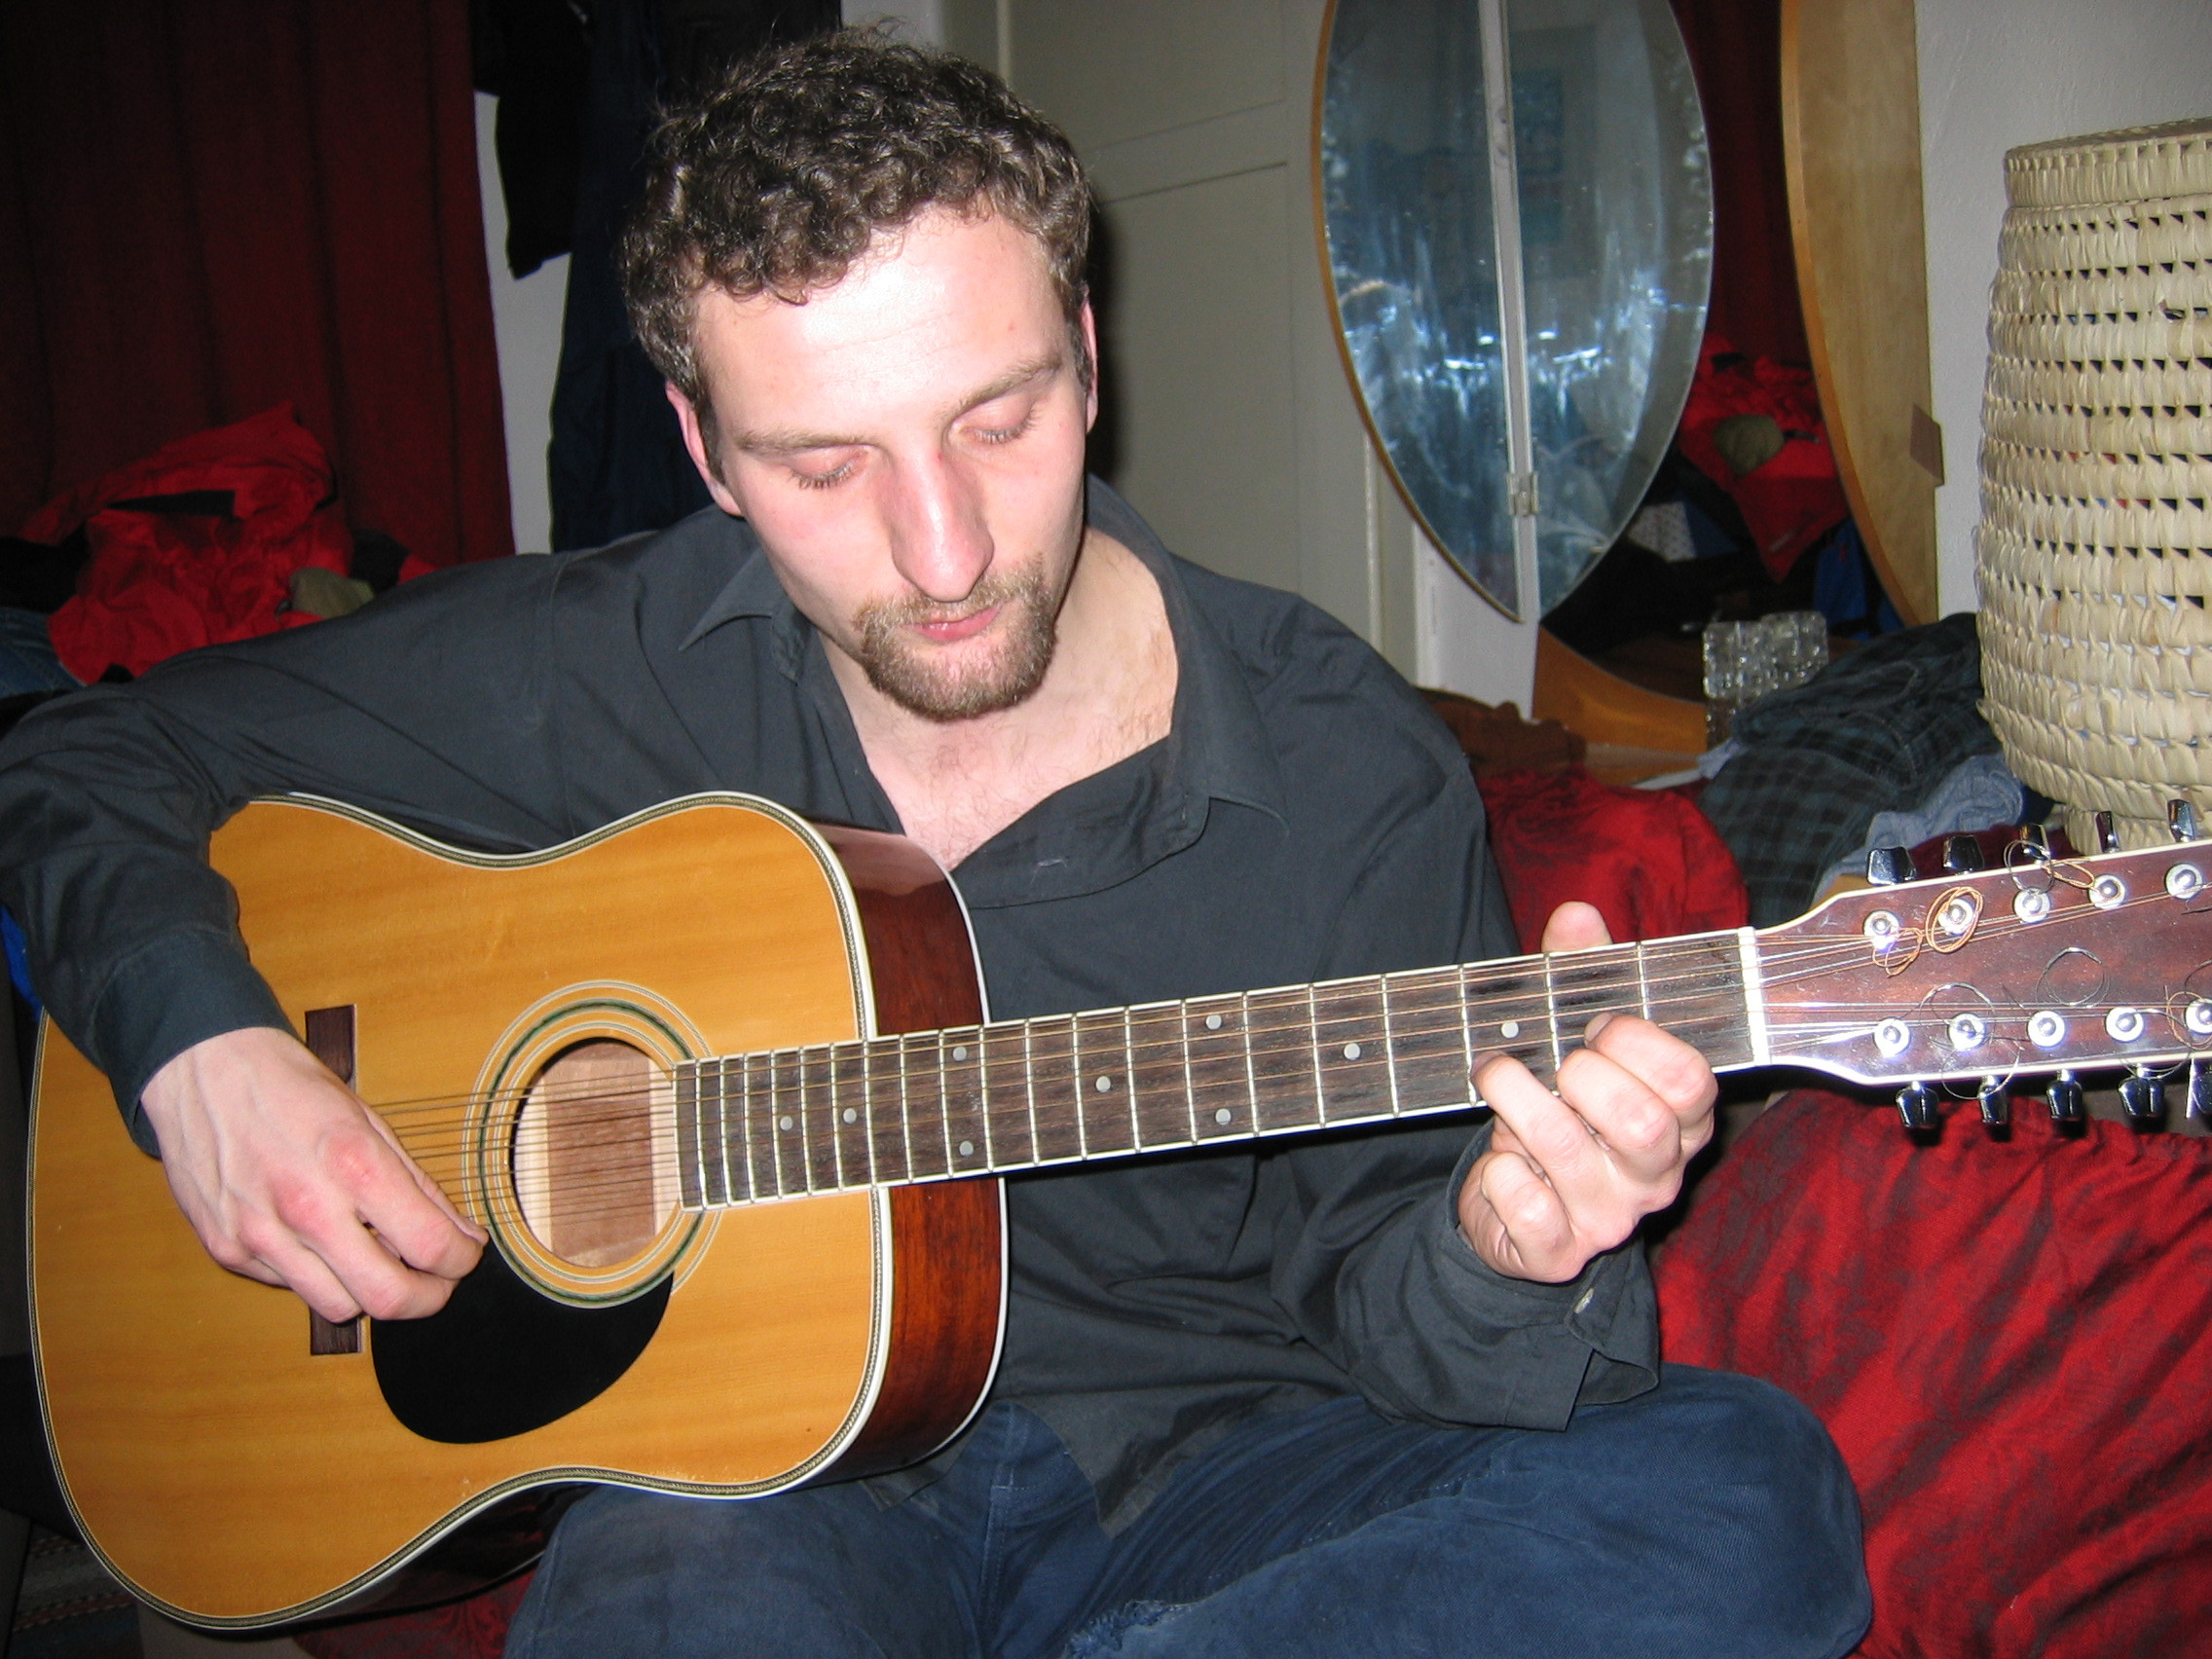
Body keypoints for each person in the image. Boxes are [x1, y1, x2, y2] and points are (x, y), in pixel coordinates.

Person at [0, 31, 1869, 1659]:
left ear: (1087, 352)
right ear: (705, 450)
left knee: (1746, 1499)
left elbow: (1392, 1305)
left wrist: (1504, 1245)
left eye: (999, 418)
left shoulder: (1340, 764)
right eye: (825, 467)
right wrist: (201, 1048)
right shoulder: (611, 661)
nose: (946, 550)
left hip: (1214, 1466)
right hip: (760, 1482)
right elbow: (86, 752)